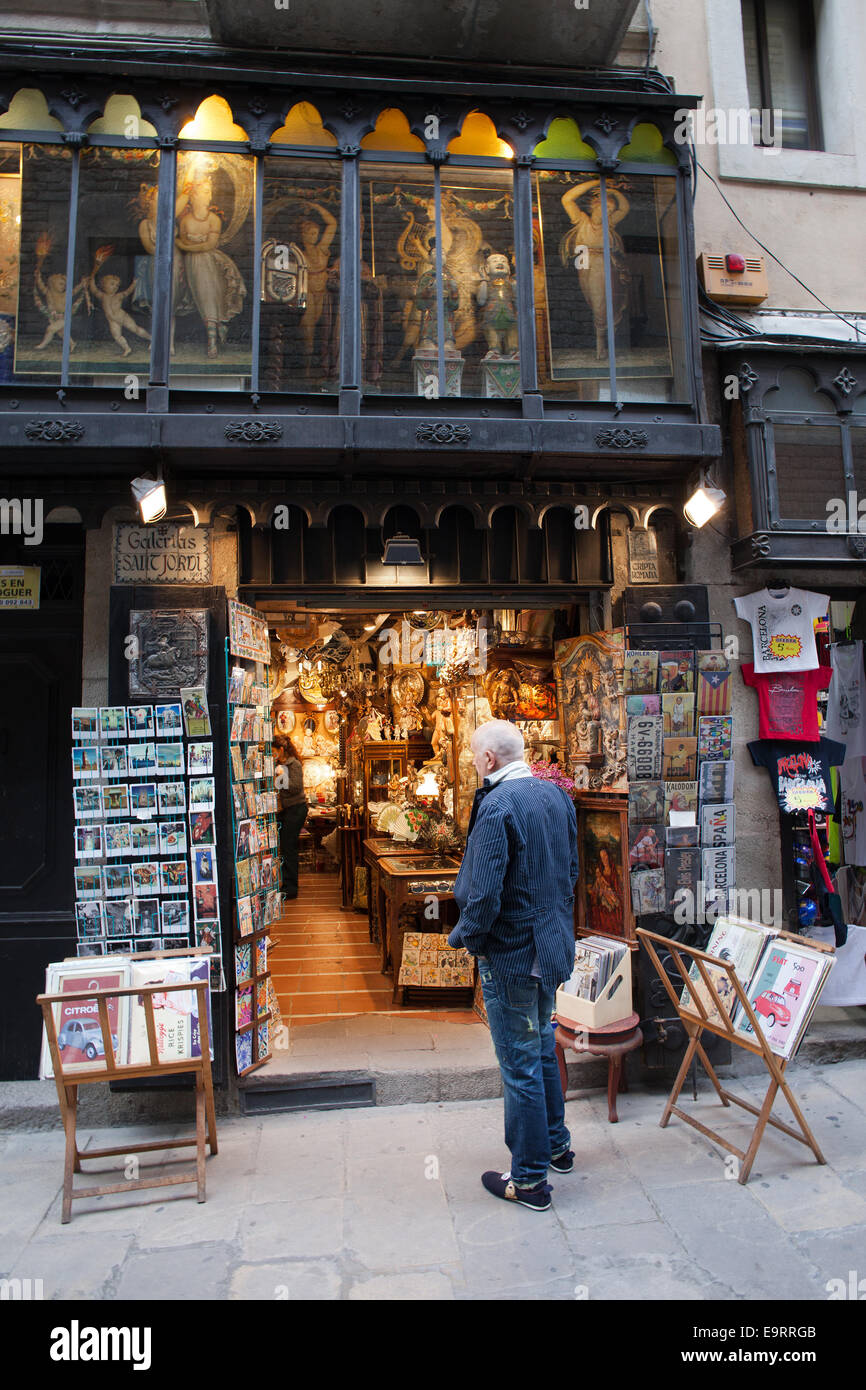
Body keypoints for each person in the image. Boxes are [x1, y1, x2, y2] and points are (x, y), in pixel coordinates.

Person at [448, 720, 579, 1212]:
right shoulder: (556, 797)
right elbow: (571, 871)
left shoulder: (499, 805)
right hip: (550, 947)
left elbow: (481, 894)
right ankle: (558, 1148)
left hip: (512, 953)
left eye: (471, 756)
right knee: (541, 1045)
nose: (471, 763)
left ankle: (529, 1182)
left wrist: (470, 938)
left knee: (521, 1063)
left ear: (488, 760)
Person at [275, 738, 307, 900]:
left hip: (296, 810)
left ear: (281, 749)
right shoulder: (278, 765)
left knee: (289, 848)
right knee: (285, 848)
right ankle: (286, 884)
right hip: (285, 811)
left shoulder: (294, 765)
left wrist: (281, 776)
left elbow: (295, 787)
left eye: (274, 750)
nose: (273, 754)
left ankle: (291, 888)